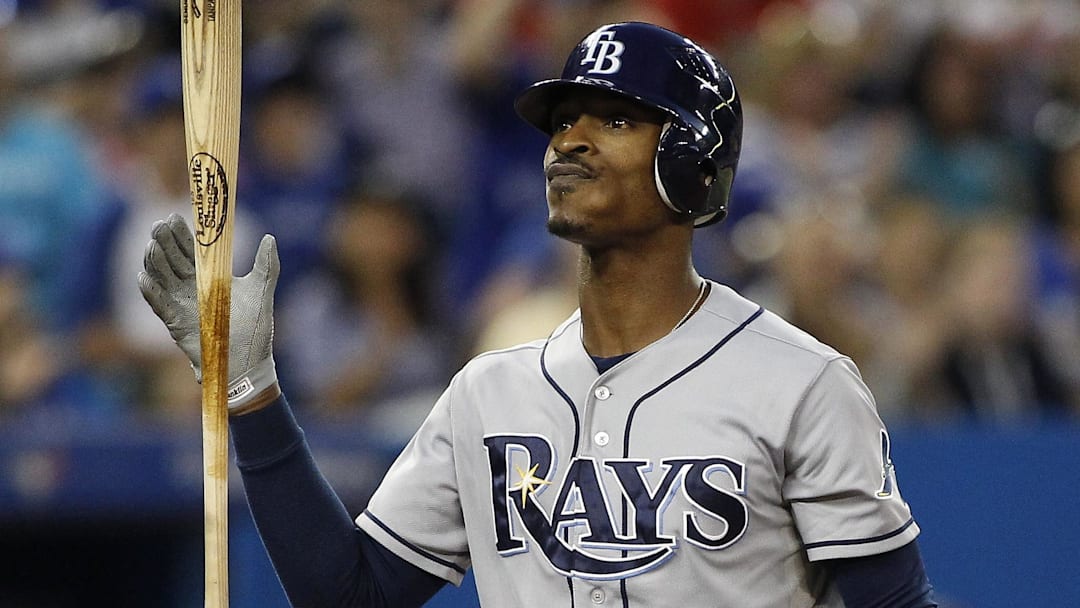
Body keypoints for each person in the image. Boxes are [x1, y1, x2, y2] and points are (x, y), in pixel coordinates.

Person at [140, 22, 936, 607]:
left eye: (614, 120)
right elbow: (347, 594)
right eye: (563, 121)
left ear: (692, 162)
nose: (570, 141)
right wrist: (249, 390)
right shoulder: (488, 391)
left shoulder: (800, 382)